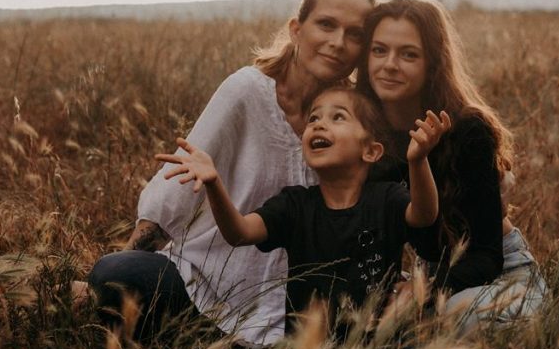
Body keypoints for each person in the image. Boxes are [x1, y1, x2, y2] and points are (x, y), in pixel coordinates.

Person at [86, 0, 377, 346]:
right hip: (206, 286)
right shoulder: (247, 91)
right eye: (326, 25)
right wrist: (123, 278)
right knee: (117, 273)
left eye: (354, 34)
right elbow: (172, 197)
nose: (338, 42)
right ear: (297, 30)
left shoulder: (356, 118)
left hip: (298, 310)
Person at [155, 86, 450, 335]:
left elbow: (424, 215)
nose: (319, 124)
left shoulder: (386, 198)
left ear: (370, 151)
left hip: (376, 347)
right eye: (313, 118)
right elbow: (239, 233)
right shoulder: (294, 205)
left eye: (338, 117)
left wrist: (418, 160)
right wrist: (214, 184)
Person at [357, 0, 547, 334]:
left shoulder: (466, 130)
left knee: (459, 315)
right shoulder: (368, 137)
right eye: (379, 50)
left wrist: (422, 294)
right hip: (431, 277)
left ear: (432, 63)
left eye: (408, 54)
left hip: (503, 278)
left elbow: (486, 257)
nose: (390, 64)